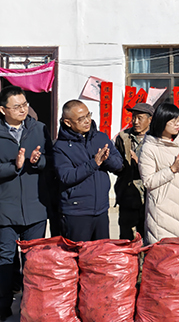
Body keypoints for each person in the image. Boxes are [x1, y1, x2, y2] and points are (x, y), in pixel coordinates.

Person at [0, 87, 51, 321]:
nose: (23, 110)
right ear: (3, 110)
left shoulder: (39, 128)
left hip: (35, 207)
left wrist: (38, 161)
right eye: (17, 106)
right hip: (5, 208)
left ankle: (31, 308)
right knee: (5, 259)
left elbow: (51, 161)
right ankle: (3, 307)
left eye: (25, 105)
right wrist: (14, 166)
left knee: (33, 260)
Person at [53, 100, 123, 242]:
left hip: (101, 209)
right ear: (68, 122)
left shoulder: (100, 137)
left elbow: (119, 166)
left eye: (88, 115)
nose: (87, 121)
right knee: (79, 253)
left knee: (101, 252)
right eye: (81, 119)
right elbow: (66, 176)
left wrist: (106, 159)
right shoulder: (60, 147)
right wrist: (93, 163)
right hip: (76, 212)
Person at [138, 103, 179, 245]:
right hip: (162, 209)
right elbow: (148, 181)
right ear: (162, 121)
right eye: (173, 121)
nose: (177, 124)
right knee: (166, 253)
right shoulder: (149, 147)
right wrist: (172, 169)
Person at [114, 102, 153, 240]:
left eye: (140, 118)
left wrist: (141, 164)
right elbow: (117, 165)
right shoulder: (123, 137)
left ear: (150, 119)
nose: (135, 121)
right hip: (127, 194)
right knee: (126, 237)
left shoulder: (156, 138)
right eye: (134, 117)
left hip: (148, 196)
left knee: (147, 236)